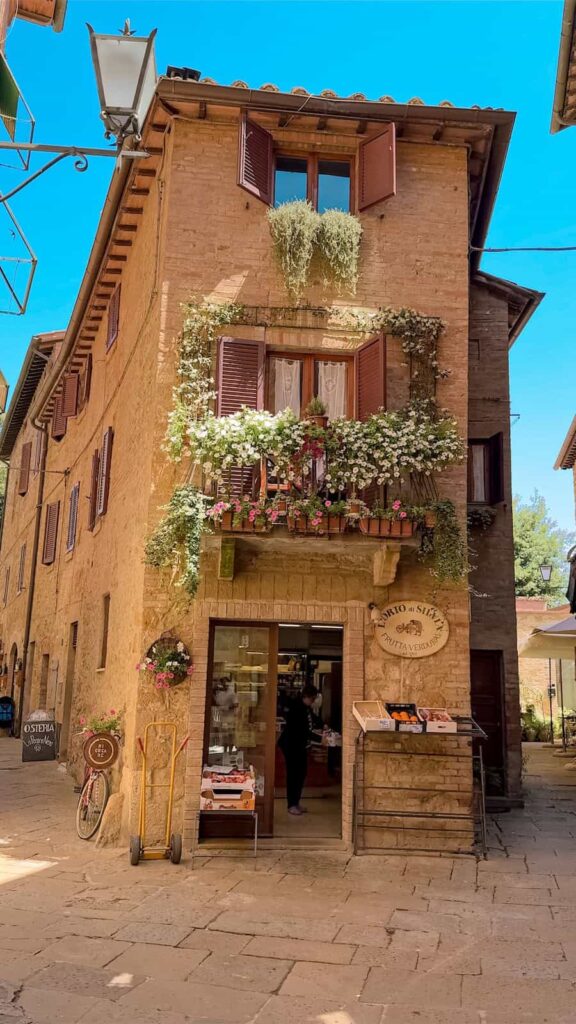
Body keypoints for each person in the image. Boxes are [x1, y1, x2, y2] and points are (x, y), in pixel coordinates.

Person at [278, 684, 322, 816]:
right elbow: (303, 731)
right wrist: (320, 739)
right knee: (294, 775)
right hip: (292, 746)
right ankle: (291, 804)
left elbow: (313, 719)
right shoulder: (296, 708)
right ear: (306, 696)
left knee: (301, 774)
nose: (313, 702)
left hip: (299, 745)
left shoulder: (305, 707)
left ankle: (296, 802)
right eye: (312, 699)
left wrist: (322, 725)